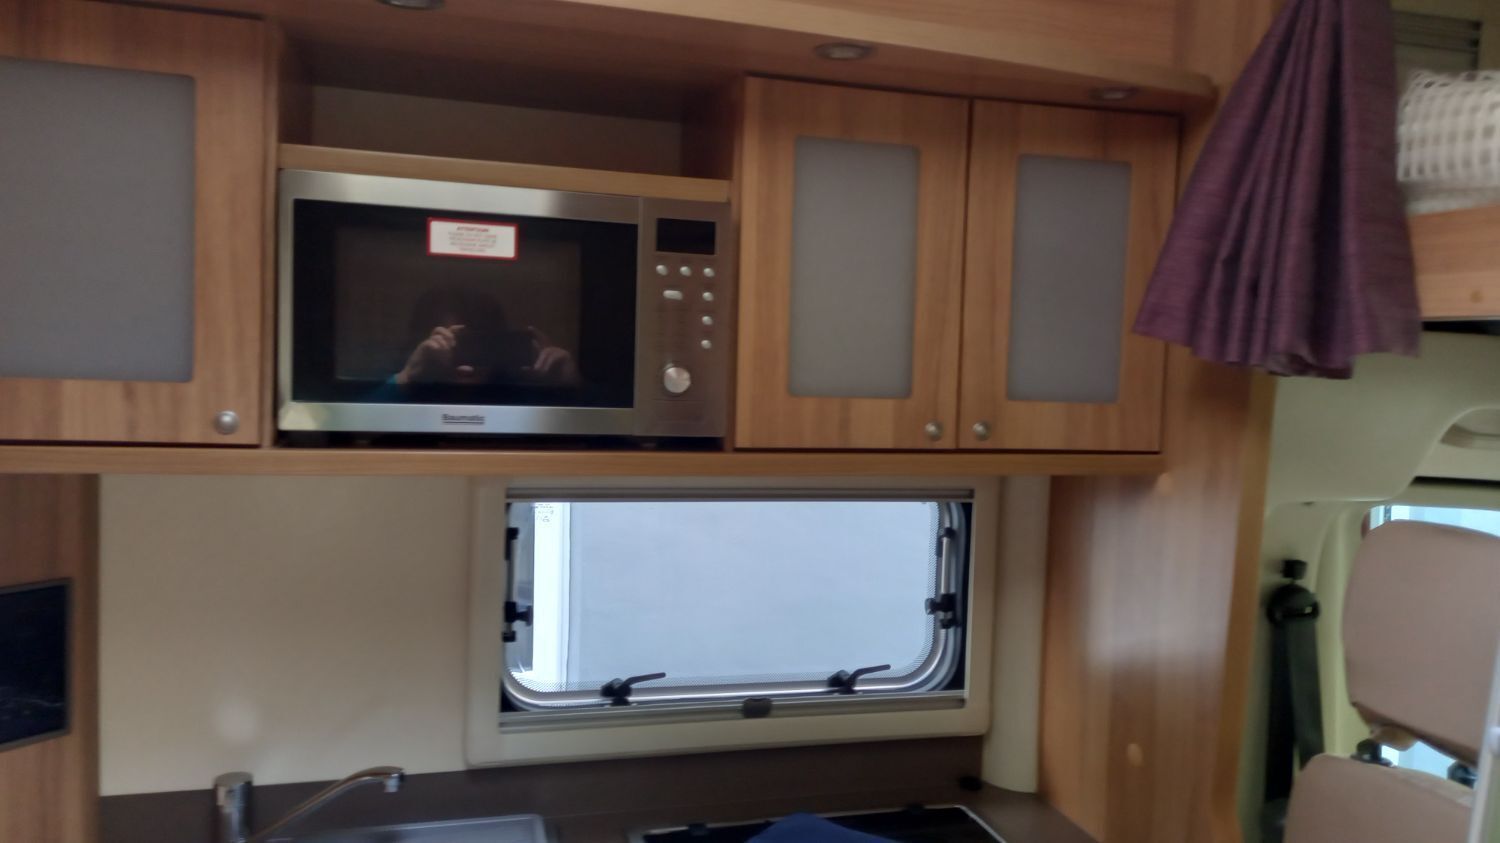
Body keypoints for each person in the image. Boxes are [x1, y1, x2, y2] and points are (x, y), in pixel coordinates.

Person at [391, 285, 579, 388]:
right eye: (457, 344)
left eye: (478, 344)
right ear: (424, 346)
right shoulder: (408, 389)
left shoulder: (525, 396)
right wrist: (406, 377)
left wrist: (570, 383)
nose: (467, 367)